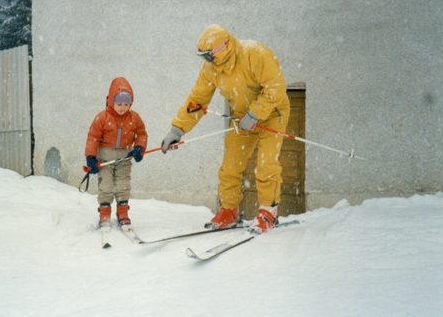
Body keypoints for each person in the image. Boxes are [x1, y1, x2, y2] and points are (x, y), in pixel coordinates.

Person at [161, 24, 290, 232]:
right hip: (242, 118)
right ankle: (229, 211)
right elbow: (197, 100)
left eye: (208, 56)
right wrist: (177, 130)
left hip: (273, 114)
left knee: (266, 166)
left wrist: (256, 113)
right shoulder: (211, 70)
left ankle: (268, 212)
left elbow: (276, 88)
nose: (207, 61)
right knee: (230, 166)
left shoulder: (255, 54)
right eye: (203, 57)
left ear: (224, 47)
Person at [85, 76, 148, 228]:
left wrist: (139, 148)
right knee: (105, 185)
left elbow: (141, 133)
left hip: (124, 158)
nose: (122, 107)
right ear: (111, 101)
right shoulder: (102, 117)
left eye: (126, 104)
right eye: (119, 103)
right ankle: (105, 214)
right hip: (105, 159)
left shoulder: (134, 117)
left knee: (123, 185)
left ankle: (123, 212)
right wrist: (91, 157)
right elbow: (93, 137)